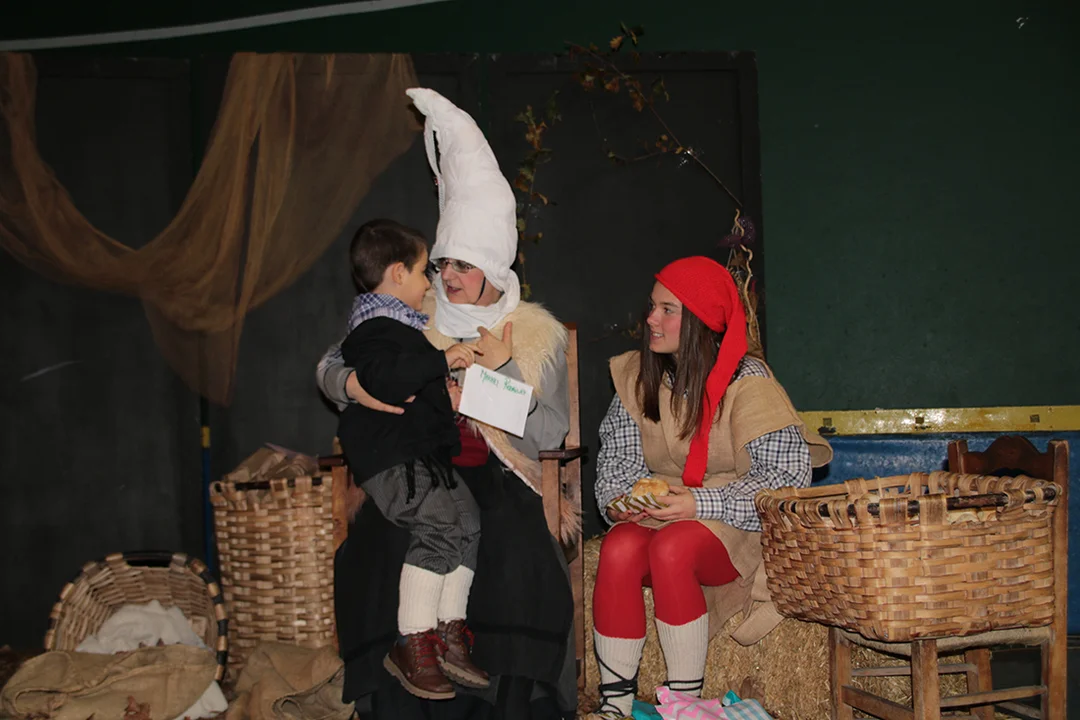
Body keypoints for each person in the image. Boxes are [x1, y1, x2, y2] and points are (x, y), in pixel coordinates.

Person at [320, 88, 577, 720]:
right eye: (440, 264)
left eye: (464, 264)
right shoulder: (409, 314)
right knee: (378, 544)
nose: (449, 277)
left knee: (512, 546)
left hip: (501, 472)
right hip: (418, 467)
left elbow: (553, 431)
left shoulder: (535, 334)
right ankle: (401, 695)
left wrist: (495, 381)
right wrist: (352, 386)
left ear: (494, 269)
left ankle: (506, 704)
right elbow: (331, 365)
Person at [587, 256, 832, 720]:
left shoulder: (748, 382)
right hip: (666, 510)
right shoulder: (639, 378)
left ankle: (684, 706)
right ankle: (614, 706)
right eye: (652, 306)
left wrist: (699, 502)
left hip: (736, 517)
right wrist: (620, 502)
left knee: (673, 548)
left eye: (667, 310)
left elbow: (786, 480)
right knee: (618, 546)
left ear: (699, 322)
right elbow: (617, 462)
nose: (651, 319)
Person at [335, 218, 487, 700]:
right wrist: (442, 360)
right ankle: (412, 640)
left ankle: (447, 629)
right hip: (391, 456)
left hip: (420, 455)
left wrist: (445, 395)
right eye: (424, 272)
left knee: (467, 521)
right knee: (439, 523)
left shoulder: (400, 329)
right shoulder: (373, 330)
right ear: (398, 273)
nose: (429, 283)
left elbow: (412, 386)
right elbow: (385, 380)